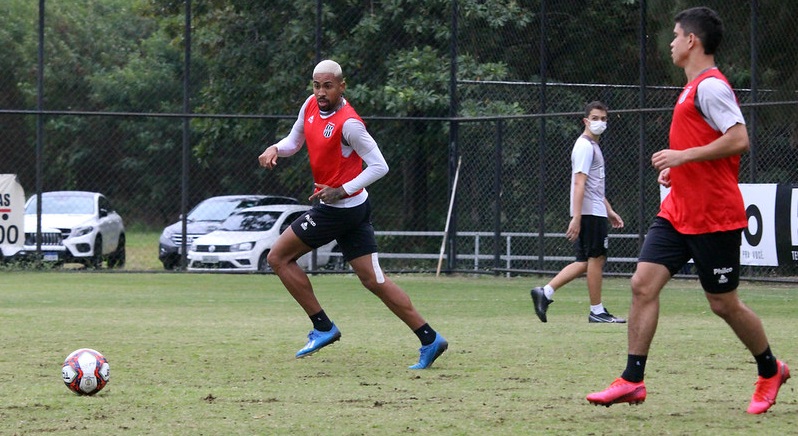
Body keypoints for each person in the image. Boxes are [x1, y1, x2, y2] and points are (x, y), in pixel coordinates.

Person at [586, 7, 789, 414]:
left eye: (676, 36)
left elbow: (739, 140)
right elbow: (704, 151)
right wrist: (680, 174)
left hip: (714, 216)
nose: (672, 42)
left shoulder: (711, 87)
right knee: (642, 284)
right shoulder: (691, 88)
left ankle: (770, 369)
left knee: (723, 304)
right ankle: (632, 380)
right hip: (679, 211)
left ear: (692, 41)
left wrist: (683, 158)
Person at [258, 59, 448, 369]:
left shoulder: (350, 124)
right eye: (317, 85)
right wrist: (275, 148)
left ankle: (322, 327)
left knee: (278, 258)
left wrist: (341, 190)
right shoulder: (309, 106)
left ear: (342, 86)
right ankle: (430, 338)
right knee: (375, 280)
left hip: (339, 209)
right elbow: (294, 142)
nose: (321, 92)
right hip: (353, 209)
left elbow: (379, 165)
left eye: (328, 86)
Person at [530, 101, 625, 323]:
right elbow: (579, 183)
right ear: (585, 120)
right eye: (595, 118)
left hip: (595, 211)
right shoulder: (584, 146)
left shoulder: (593, 146)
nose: (599, 123)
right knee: (596, 258)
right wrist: (577, 216)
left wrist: (609, 210)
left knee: (585, 261)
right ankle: (597, 311)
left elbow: (593, 186)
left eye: (603, 119)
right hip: (590, 213)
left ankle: (545, 292)